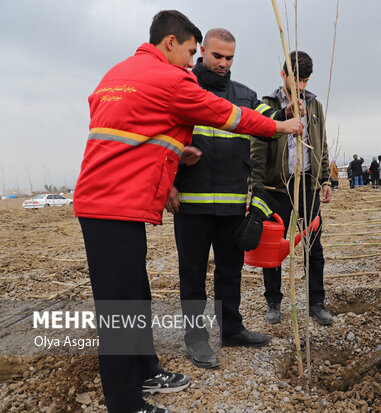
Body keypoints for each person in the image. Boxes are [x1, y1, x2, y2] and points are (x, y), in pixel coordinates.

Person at [73, 11, 303, 413]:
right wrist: (282, 127)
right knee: (120, 307)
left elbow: (130, 131)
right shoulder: (171, 77)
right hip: (113, 204)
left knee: (137, 295)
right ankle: (125, 403)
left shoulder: (120, 73)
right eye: (193, 51)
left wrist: (174, 148)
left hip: (113, 203)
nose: (193, 61)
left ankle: (146, 370)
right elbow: (227, 116)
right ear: (170, 43)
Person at [165, 28, 299, 368]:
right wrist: (167, 183)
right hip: (191, 205)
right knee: (192, 274)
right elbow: (161, 138)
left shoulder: (245, 95)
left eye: (230, 58)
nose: (223, 64)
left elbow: (267, 122)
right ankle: (195, 339)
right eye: (217, 56)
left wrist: (286, 110)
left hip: (232, 203)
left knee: (230, 270)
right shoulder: (183, 89)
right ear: (201, 53)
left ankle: (232, 329)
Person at [250, 51, 334, 325]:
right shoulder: (268, 104)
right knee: (272, 247)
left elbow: (320, 145)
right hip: (276, 188)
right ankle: (273, 302)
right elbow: (258, 149)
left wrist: (325, 179)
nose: (301, 87)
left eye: (306, 81)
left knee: (313, 245)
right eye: (297, 80)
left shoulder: (314, 106)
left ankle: (316, 302)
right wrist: (257, 186)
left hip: (307, 186)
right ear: (283, 74)